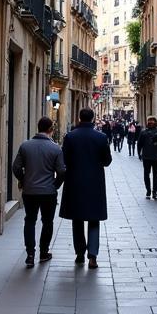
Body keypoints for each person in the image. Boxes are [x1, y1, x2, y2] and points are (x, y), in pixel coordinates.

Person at [59, 107, 112, 268]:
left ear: (79, 118)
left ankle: (80, 253)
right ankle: (93, 256)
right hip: (95, 183)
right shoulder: (101, 137)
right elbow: (107, 161)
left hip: (74, 182)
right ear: (93, 118)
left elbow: (64, 160)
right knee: (94, 219)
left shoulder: (70, 137)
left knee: (77, 219)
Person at [12, 116, 66, 267]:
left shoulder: (25, 146)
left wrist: (23, 180)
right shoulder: (55, 148)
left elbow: (16, 167)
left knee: (30, 220)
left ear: (38, 127)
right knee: (47, 222)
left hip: (29, 191)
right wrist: (55, 185)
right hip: (48, 192)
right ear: (50, 130)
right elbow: (62, 171)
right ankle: (43, 253)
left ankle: (30, 254)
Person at [137, 115, 157, 199]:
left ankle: (151, 191)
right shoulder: (146, 132)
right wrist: (139, 153)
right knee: (151, 174)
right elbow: (140, 144)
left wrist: (139, 153)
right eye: (149, 121)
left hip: (152, 157)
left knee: (151, 174)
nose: (150, 122)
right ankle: (151, 191)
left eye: (151, 121)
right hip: (151, 157)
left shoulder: (147, 132)